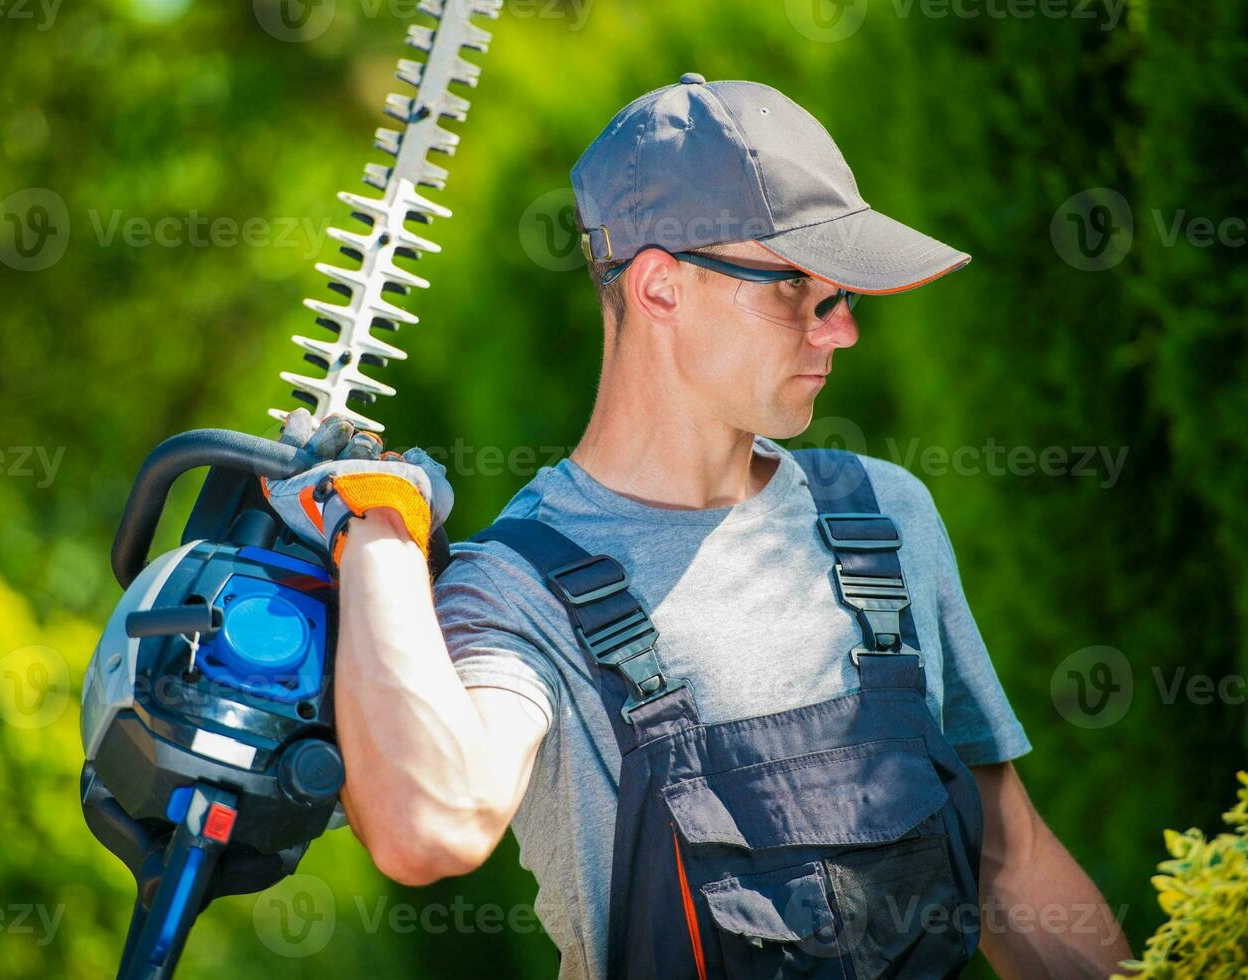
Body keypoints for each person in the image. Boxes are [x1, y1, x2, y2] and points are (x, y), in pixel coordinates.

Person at [264, 73, 1133, 979]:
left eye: (845, 297)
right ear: (660, 288)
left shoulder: (883, 519)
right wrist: (376, 534)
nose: (839, 333)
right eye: (796, 289)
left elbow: (1008, 865)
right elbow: (427, 828)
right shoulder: (518, 591)